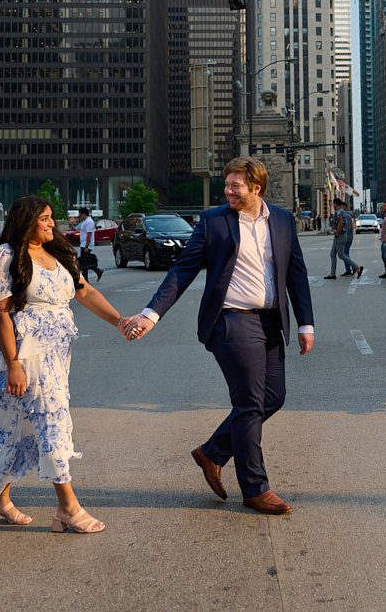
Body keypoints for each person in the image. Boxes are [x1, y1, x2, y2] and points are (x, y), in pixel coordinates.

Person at [121, 158, 315, 516]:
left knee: (274, 397)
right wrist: (151, 314)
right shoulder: (214, 222)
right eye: (227, 185)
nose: (228, 191)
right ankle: (255, 488)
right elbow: (182, 270)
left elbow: (296, 274)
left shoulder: (283, 221)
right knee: (250, 403)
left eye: (235, 186)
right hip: (232, 322)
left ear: (256, 188)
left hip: (272, 321)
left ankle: (212, 453)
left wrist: (306, 323)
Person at [0, 195, 129, 534]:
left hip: (56, 356)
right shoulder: (5, 256)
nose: (53, 223)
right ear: (26, 221)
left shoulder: (57, 252)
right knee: (52, 422)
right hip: (27, 354)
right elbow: (1, 314)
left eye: (52, 218)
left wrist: (119, 321)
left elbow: (85, 293)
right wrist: (15, 364)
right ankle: (68, 507)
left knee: (18, 427)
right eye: (45, 218)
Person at [326, 199, 363, 280]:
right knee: (332, 254)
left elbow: (341, 223)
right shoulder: (341, 212)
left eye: (333, 204)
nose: (333, 205)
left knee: (341, 255)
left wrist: (337, 233)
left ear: (335, 204)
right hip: (339, 235)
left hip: (340, 235)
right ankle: (332, 274)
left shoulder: (340, 212)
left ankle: (358, 268)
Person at [75, 207, 103, 283]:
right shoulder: (86, 221)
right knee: (85, 262)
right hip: (83, 244)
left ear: (84, 213)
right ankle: (97, 271)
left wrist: (87, 246)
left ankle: (86, 281)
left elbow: (89, 234)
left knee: (84, 264)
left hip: (85, 245)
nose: (80, 216)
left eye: (80, 214)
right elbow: (83, 231)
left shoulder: (89, 222)